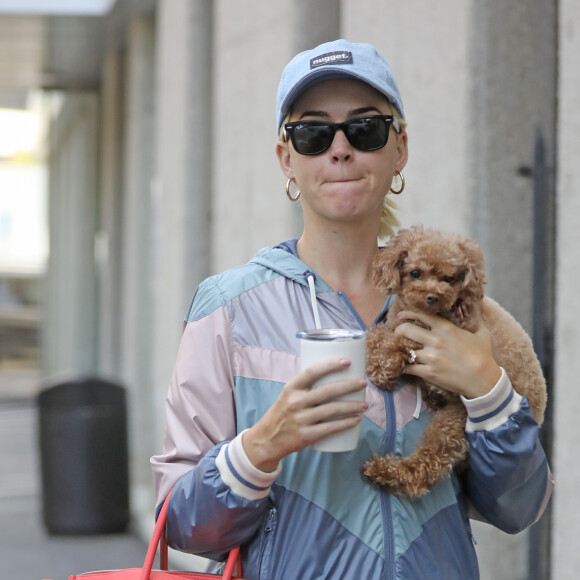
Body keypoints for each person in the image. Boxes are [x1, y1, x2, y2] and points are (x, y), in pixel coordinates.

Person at [151, 39, 553, 579]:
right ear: (285, 158)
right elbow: (182, 527)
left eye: (365, 129)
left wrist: (487, 388)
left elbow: (519, 508)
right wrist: (260, 448)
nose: (340, 150)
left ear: (399, 149)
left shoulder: (457, 311)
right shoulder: (229, 309)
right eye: (313, 133)